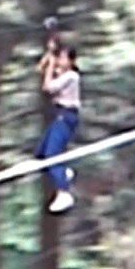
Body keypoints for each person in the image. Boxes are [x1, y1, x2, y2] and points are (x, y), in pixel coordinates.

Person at [36, 40, 81, 213]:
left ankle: (63, 193)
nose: (59, 61)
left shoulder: (71, 76)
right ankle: (63, 173)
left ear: (71, 61)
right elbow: (41, 69)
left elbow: (48, 87)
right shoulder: (63, 73)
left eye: (62, 58)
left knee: (52, 156)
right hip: (60, 116)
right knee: (41, 154)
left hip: (66, 116)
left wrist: (52, 64)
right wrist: (49, 55)